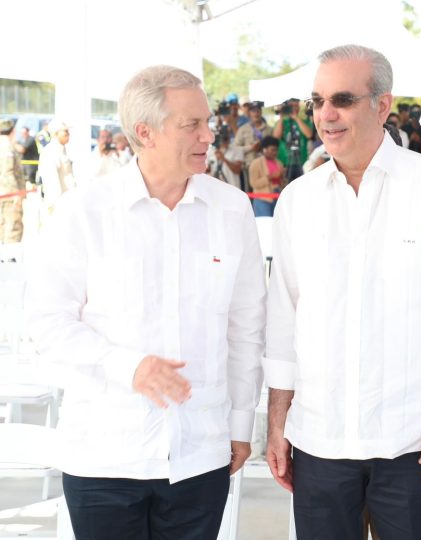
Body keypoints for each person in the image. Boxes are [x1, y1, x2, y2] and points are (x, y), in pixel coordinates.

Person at [263, 44, 421, 540]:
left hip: (413, 442)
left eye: (342, 100)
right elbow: (283, 320)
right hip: (319, 440)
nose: (326, 114)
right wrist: (277, 422)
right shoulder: (297, 200)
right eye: (317, 101)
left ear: (382, 105)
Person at [26, 65, 266, 540]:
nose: (208, 136)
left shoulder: (232, 209)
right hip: (104, 456)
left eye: (207, 123)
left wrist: (241, 426)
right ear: (145, 132)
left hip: (201, 454)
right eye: (191, 125)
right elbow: (46, 322)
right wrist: (127, 366)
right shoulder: (84, 211)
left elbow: (246, 328)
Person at [37, 119, 75, 210]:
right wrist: (57, 205)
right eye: (65, 131)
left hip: (68, 200)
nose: (68, 134)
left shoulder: (62, 149)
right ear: (55, 133)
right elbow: (52, 181)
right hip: (59, 203)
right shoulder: (51, 151)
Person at [274, 98, 313, 182]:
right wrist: (281, 116)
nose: (294, 108)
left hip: (302, 160)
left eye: (296, 106)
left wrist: (296, 118)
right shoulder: (282, 123)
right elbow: (276, 137)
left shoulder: (305, 121)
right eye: (291, 106)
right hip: (285, 162)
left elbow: (309, 134)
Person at [0, 118, 24, 244]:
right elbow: (8, 172)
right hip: (9, 194)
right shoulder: (7, 147)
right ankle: (10, 254)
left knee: (3, 225)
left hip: (3, 193)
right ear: (12, 131)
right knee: (13, 226)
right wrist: (16, 194)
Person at [248, 135, 283, 217]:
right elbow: (253, 183)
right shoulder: (256, 163)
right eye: (272, 150)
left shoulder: (279, 163)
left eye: (276, 150)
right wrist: (270, 177)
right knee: (265, 223)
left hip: (277, 197)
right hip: (262, 199)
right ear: (264, 149)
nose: (275, 152)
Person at [234, 100, 272, 171]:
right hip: (249, 166)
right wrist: (251, 147)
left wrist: (262, 147)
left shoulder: (269, 129)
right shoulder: (243, 129)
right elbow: (236, 149)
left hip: (266, 166)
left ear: (261, 112)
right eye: (253, 111)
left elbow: (274, 148)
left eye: (258, 111)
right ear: (249, 113)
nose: (256, 113)